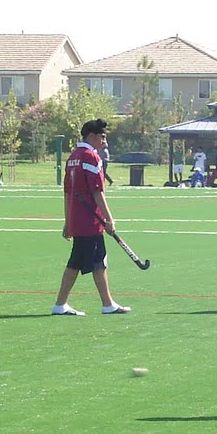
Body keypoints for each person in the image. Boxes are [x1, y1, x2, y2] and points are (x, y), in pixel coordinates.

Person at [52, 118, 130, 316]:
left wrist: (68, 221)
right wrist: (109, 219)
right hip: (90, 220)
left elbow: (67, 193)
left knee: (86, 262)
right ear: (92, 136)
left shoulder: (73, 157)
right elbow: (97, 192)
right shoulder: (91, 157)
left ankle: (101, 303)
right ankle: (100, 304)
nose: (105, 142)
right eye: (102, 137)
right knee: (90, 262)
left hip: (79, 219)